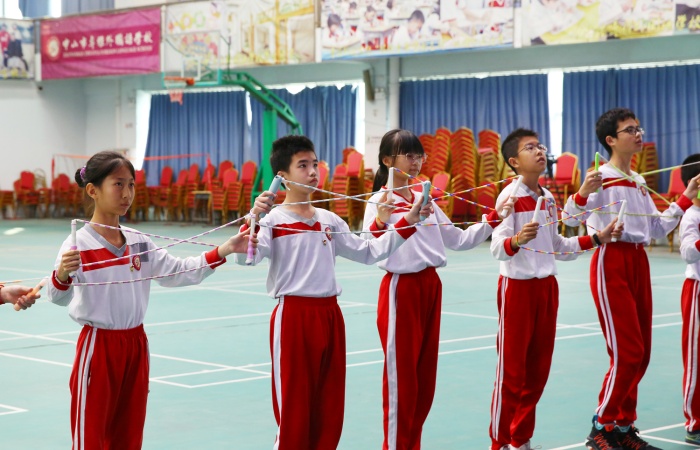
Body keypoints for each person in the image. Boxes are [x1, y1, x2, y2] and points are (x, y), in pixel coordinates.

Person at [47, 151, 254, 449]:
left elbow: (178, 272)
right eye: (118, 184)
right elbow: (57, 297)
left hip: (136, 346)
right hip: (99, 348)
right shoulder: (77, 245)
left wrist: (225, 249)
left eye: (131, 184)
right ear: (93, 190)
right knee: (90, 437)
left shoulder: (139, 242)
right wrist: (63, 274)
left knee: (129, 435)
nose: (127, 193)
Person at [240, 135, 431, 450]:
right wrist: (253, 219)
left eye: (315, 164)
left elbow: (369, 252)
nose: (313, 172)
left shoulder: (329, 220)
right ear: (282, 177)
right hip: (293, 319)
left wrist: (408, 221)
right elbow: (245, 258)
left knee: (329, 410)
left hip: (331, 316)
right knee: (294, 411)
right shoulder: (272, 221)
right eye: (303, 166)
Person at [562, 108, 700, 449]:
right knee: (627, 352)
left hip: (639, 262)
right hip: (611, 261)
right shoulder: (600, 178)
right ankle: (601, 426)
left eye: (639, 128)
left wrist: (685, 197)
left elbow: (656, 228)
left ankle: (624, 428)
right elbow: (570, 219)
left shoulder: (637, 180)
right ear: (610, 140)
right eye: (630, 130)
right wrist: (583, 192)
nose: (638, 134)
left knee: (642, 353)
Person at [362, 129, 507, 450]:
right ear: (387, 161)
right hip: (401, 290)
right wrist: (382, 221)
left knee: (425, 381)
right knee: (401, 382)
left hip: (431, 287)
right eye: (408, 155)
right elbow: (369, 248)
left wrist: (494, 218)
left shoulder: (423, 197)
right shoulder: (379, 202)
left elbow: (459, 239)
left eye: (419, 155)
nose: (415, 162)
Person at [490, 128, 622, 450]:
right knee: (511, 374)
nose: (539, 151)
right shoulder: (509, 198)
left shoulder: (548, 198)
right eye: (530, 148)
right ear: (513, 161)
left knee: (537, 373)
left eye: (540, 146)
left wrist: (597, 238)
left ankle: (520, 439)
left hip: (547, 290)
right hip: (517, 291)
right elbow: (496, 247)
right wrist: (516, 240)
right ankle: (499, 442)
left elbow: (558, 246)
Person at [677, 153, 700, 445]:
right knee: (695, 358)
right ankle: (695, 423)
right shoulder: (691, 216)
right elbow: (687, 253)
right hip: (697, 289)